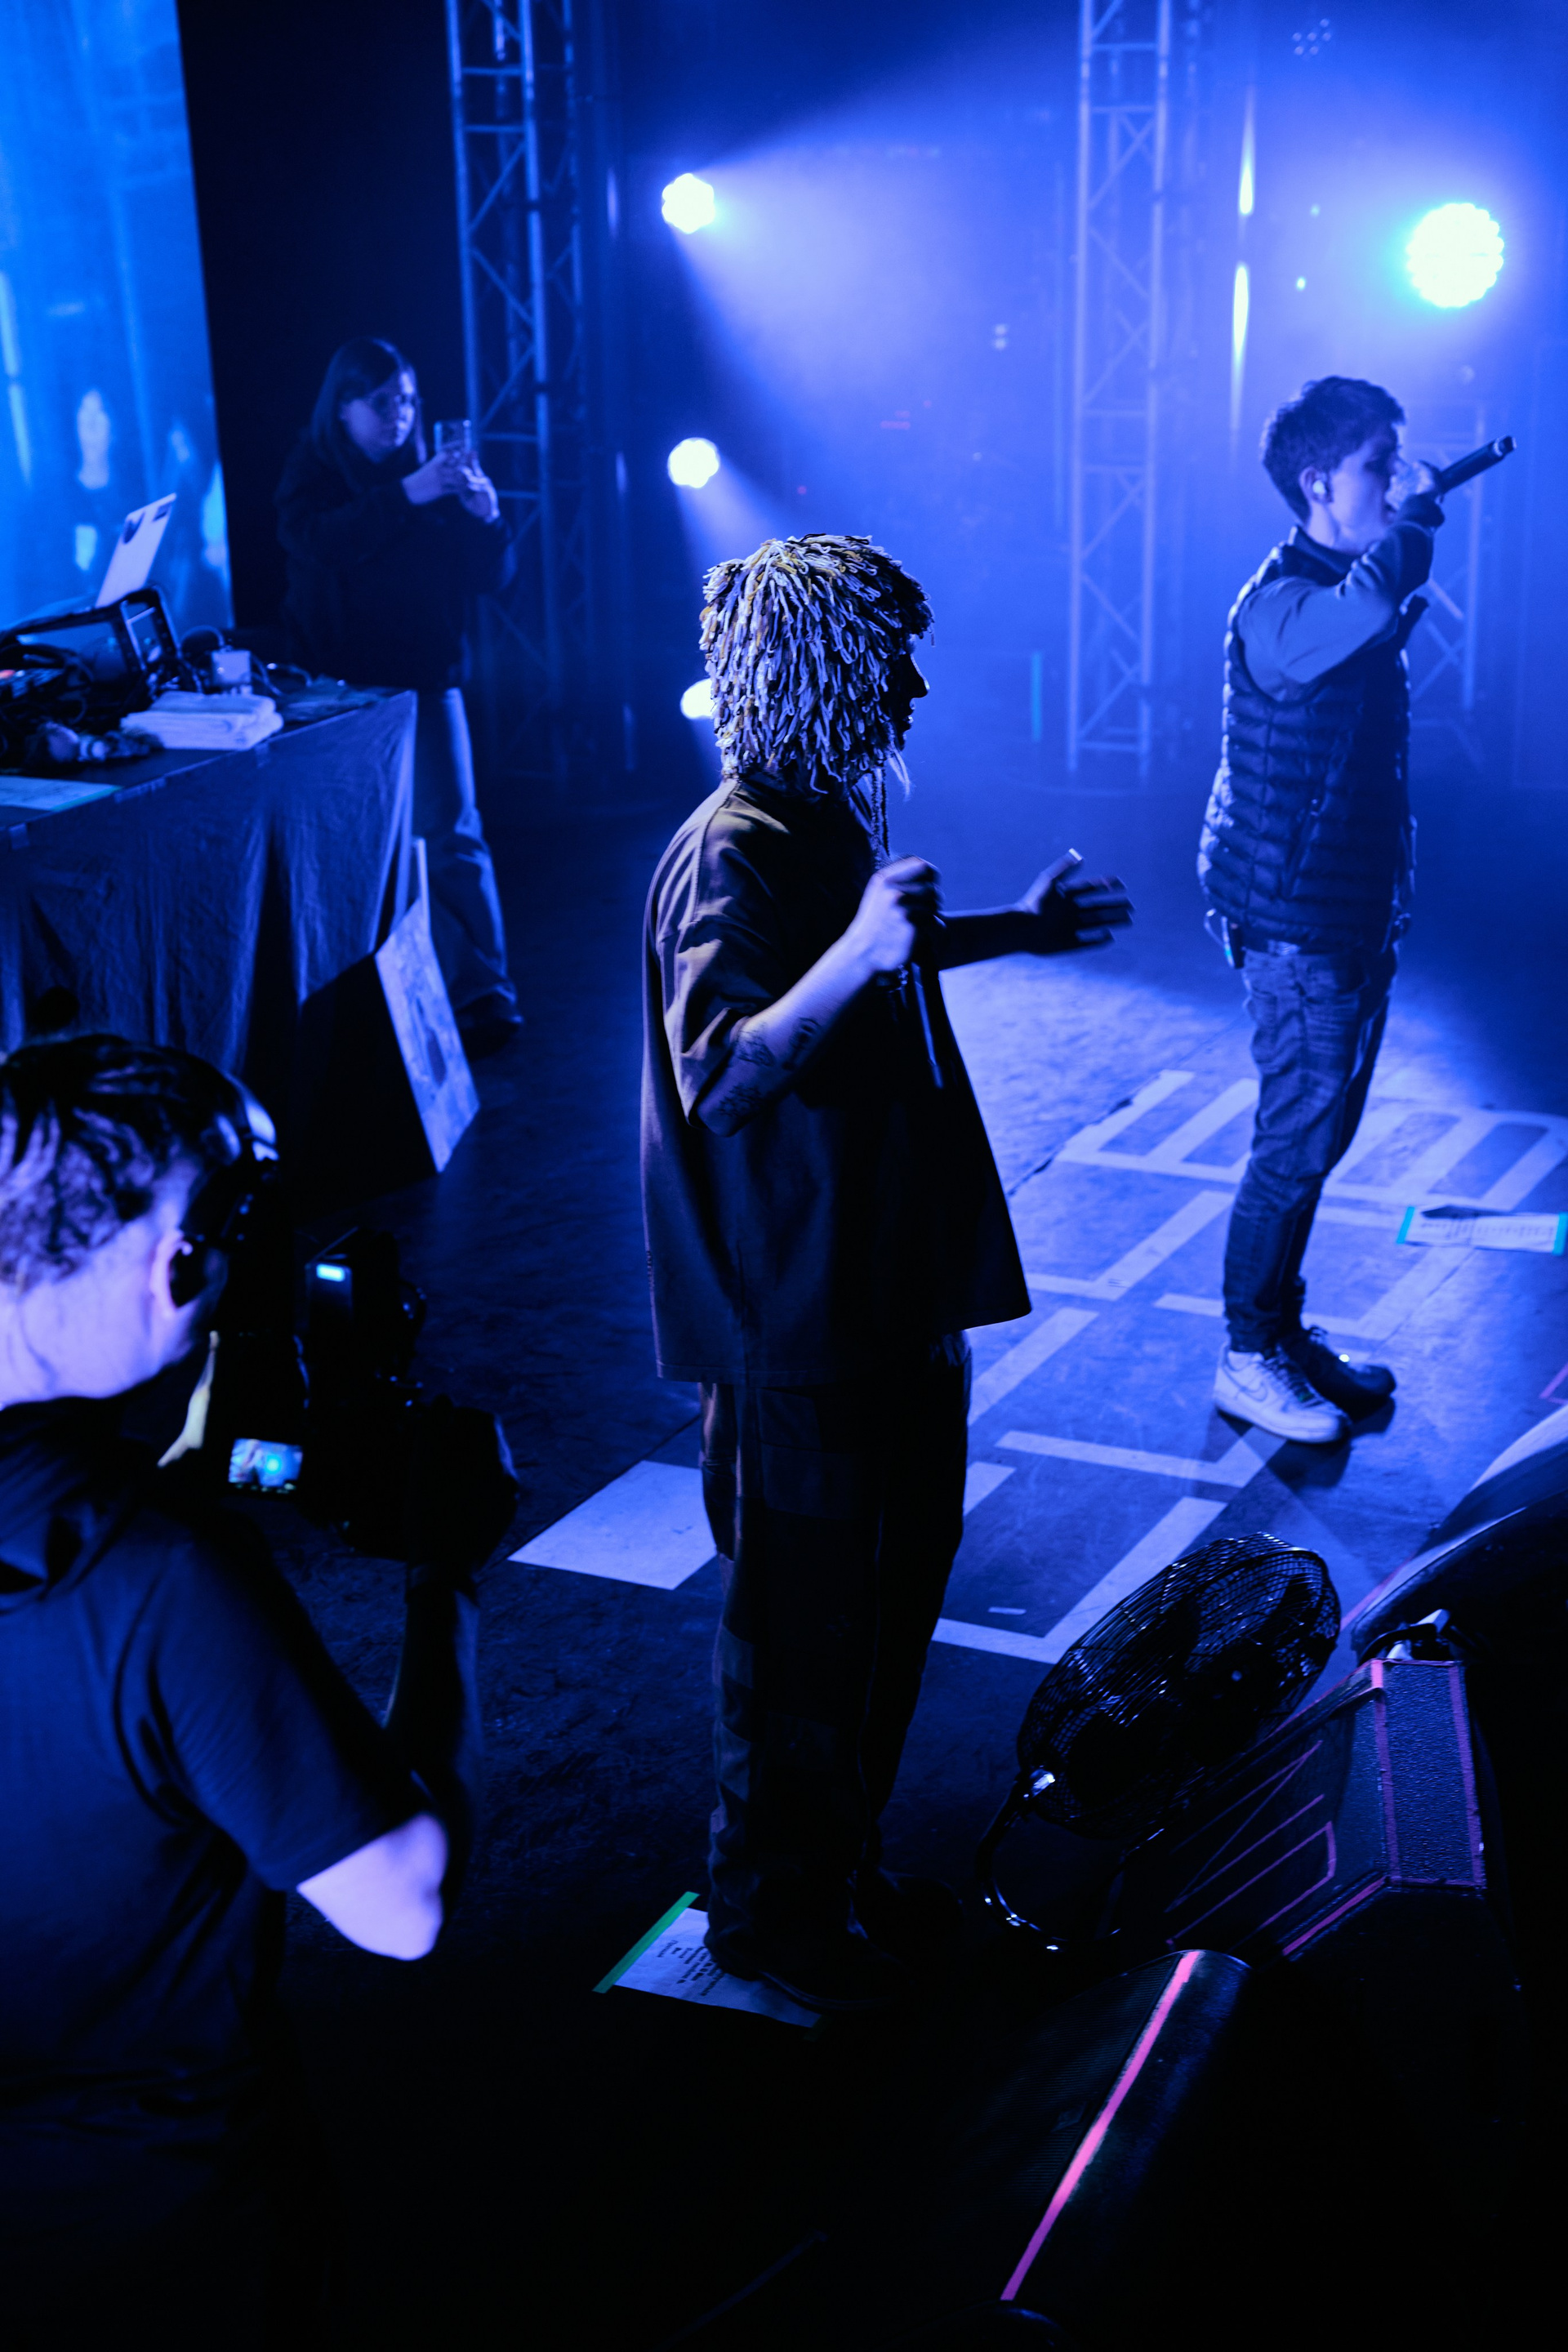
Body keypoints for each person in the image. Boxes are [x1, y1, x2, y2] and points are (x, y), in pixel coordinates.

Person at [641, 534, 1131, 2014]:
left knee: (887, 1607)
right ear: (809, 668)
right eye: (882, 658)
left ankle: (836, 1870)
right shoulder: (730, 846)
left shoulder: (826, 811)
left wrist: (1011, 934)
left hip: (890, 1292)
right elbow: (724, 1074)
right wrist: (862, 950)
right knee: (798, 1639)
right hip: (796, 1321)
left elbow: (875, 959)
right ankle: (766, 1916)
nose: (908, 686)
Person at [0, 1036, 495, 2346]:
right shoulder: (163, 1578)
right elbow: (401, 1905)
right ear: (179, 1260)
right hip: (149, 2234)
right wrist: (447, 1579)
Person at [1198, 376, 1446, 1446]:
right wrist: (1419, 522)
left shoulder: (1340, 588)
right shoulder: (1283, 606)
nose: (1396, 482)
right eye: (1377, 467)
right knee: (1295, 1141)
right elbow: (1372, 609)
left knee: (1321, 1135)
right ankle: (1246, 1355)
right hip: (1294, 923)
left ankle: (1281, 1333)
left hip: (1347, 914)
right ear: (1317, 483)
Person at [276, 337, 522, 1056]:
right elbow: (320, 543)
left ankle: (482, 993)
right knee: (353, 848)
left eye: (408, 401)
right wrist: (407, 494)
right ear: (342, 407)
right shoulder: (314, 472)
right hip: (341, 695)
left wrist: (487, 517)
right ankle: (362, 1006)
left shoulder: (435, 479)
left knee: (452, 839)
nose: (399, 415)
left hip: (427, 681)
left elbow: (492, 580)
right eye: (381, 402)